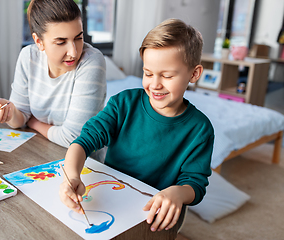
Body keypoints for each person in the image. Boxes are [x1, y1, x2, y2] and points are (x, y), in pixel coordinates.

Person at [59, 18, 214, 232]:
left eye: (167, 75)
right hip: (110, 200)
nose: (155, 84)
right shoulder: (123, 103)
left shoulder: (200, 129)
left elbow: (195, 184)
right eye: (148, 73)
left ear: (194, 74)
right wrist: (72, 177)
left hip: (152, 215)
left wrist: (178, 193)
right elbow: (83, 142)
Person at [0, 0, 106, 148]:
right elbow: (20, 120)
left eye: (78, 38)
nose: (73, 52)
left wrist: (34, 123)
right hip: (42, 150)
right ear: (39, 41)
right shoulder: (28, 57)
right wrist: (9, 112)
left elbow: (74, 138)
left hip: (86, 164)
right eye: (61, 42)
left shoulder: (91, 61)